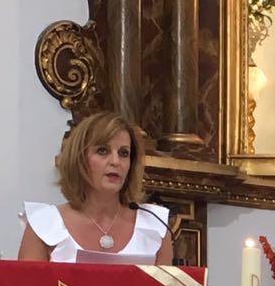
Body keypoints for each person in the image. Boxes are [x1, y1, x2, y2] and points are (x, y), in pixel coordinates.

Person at [18, 111, 172, 265]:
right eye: (102, 151)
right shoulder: (43, 224)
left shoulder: (155, 225)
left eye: (124, 153)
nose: (115, 161)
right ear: (79, 159)